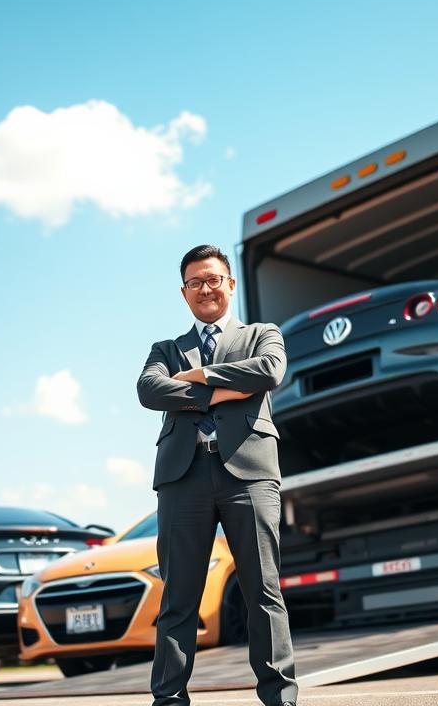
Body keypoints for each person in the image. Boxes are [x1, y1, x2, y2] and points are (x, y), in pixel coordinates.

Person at [136, 245, 298, 706]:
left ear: (230, 284)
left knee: (263, 591)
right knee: (178, 598)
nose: (205, 289)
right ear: (184, 293)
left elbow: (268, 371)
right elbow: (149, 389)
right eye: (194, 283)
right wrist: (221, 392)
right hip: (182, 476)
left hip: (249, 474)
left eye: (212, 280)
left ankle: (279, 699)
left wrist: (198, 376)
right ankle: (168, 701)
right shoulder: (164, 350)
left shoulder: (262, 334)